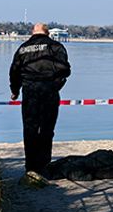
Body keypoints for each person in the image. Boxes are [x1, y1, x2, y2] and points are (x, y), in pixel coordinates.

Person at [9, 23, 71, 176]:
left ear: (32, 32)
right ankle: (44, 165)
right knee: (47, 128)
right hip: (49, 91)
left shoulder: (23, 48)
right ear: (48, 33)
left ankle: (31, 167)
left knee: (30, 129)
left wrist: (15, 90)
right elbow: (65, 69)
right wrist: (56, 84)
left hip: (30, 92)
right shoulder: (56, 47)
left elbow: (14, 71)